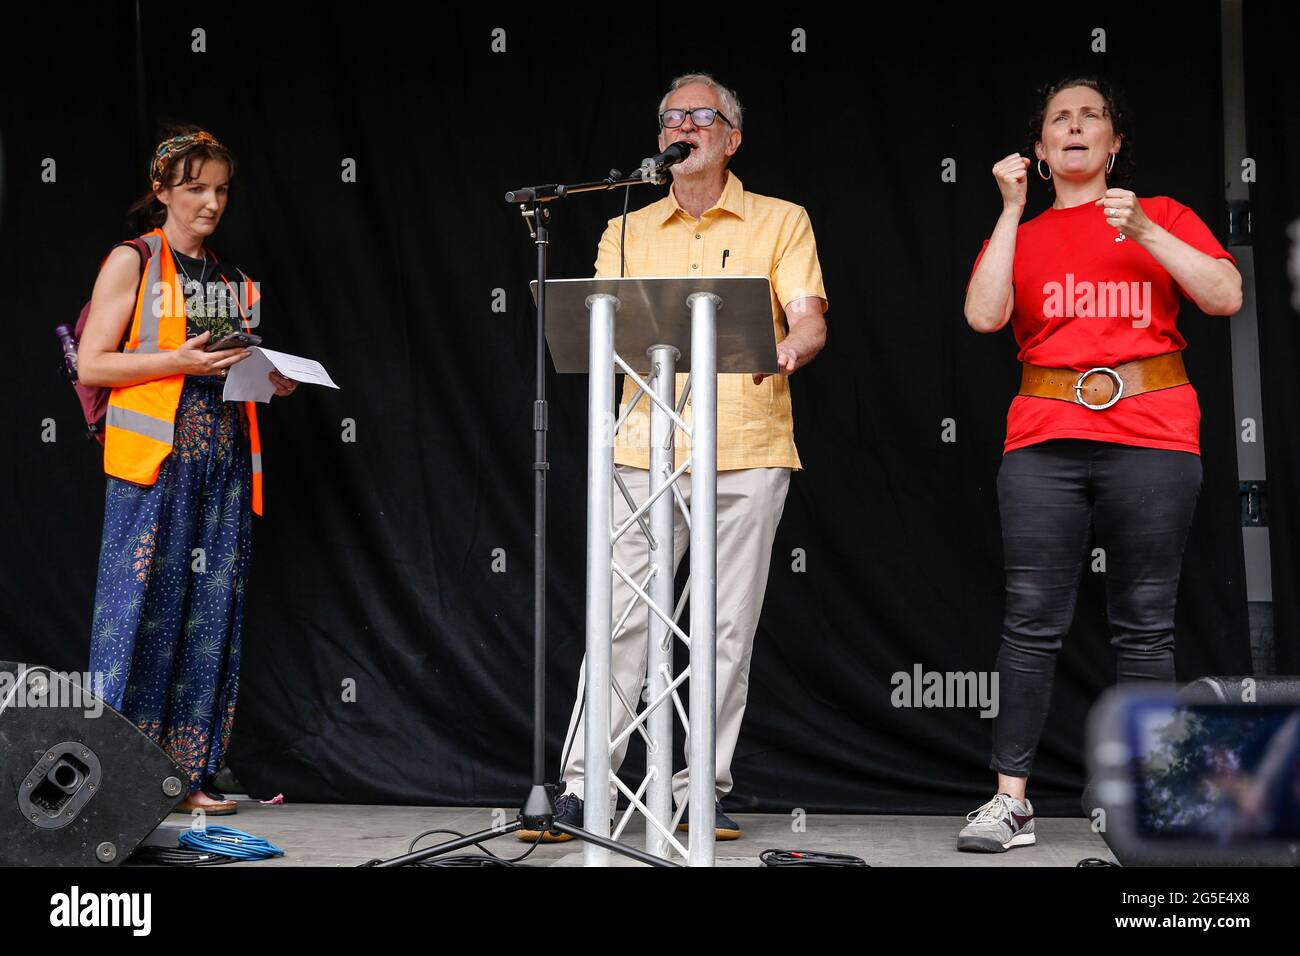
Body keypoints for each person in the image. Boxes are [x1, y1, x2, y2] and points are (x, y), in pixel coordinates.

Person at [518, 73, 828, 843]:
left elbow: (809, 317)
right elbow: (598, 330)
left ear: (732, 138)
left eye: (700, 116)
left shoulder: (781, 219)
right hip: (642, 451)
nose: (681, 126)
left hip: (748, 448)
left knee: (726, 630)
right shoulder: (626, 225)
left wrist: (789, 348)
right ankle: (584, 790)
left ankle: (701, 792)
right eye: (669, 118)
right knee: (620, 623)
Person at [960, 78, 1242, 851]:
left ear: (1115, 145)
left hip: (1152, 430)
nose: (1076, 126)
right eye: (1060, 119)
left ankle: (1152, 796)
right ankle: (1010, 802)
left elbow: (1225, 296)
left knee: (1145, 627)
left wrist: (1146, 231)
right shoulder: (1023, 226)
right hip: (1044, 437)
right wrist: (1012, 211)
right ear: (1042, 152)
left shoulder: (1165, 216)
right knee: (1030, 621)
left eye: (1093, 118)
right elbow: (984, 316)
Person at [79, 126, 298, 816]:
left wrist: (270, 378)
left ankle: (184, 776)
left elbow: (228, 372)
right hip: (154, 464)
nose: (211, 203)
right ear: (162, 190)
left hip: (223, 462)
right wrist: (178, 360)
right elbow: (93, 364)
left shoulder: (231, 280)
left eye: (221, 189)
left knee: (208, 616)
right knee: (135, 615)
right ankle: (113, 778)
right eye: (196, 187)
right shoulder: (134, 260)